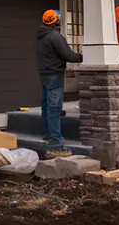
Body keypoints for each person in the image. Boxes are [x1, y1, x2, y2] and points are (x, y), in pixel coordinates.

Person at [36, 9, 82, 158]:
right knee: (54, 109)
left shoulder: (41, 35)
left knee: (47, 107)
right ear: (54, 21)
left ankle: (48, 137)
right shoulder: (55, 36)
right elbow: (68, 55)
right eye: (58, 18)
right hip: (54, 76)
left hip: (44, 75)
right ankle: (56, 145)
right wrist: (81, 56)